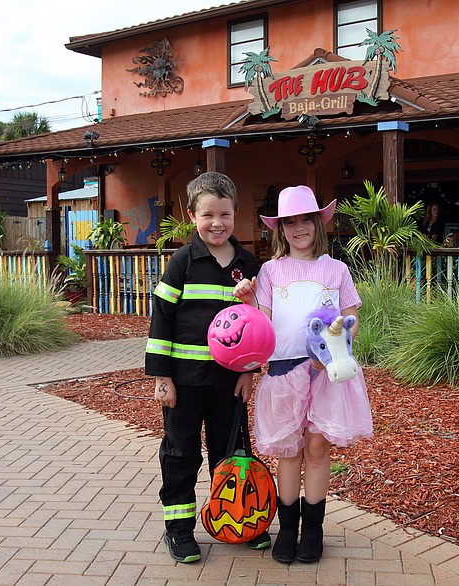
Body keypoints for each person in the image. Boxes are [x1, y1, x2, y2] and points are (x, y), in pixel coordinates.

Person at [234, 185, 373, 564]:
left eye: (305, 220)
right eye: (289, 222)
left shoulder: (335, 269)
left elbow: (351, 316)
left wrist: (337, 340)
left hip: (325, 371)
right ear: (280, 229)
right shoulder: (270, 271)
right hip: (283, 374)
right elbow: (263, 324)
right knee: (290, 450)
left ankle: (313, 530)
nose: (299, 229)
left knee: (316, 448)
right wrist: (249, 302)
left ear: (318, 223)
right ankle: (288, 528)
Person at [145, 172, 269, 564]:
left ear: (236, 215)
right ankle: (179, 530)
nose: (218, 223)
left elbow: (256, 323)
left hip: (228, 385)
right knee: (181, 455)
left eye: (226, 214)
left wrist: (249, 371)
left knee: (231, 453)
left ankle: (238, 519)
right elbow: (161, 320)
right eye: (209, 215)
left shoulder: (247, 262)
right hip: (184, 381)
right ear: (192, 215)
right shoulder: (182, 262)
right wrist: (163, 377)